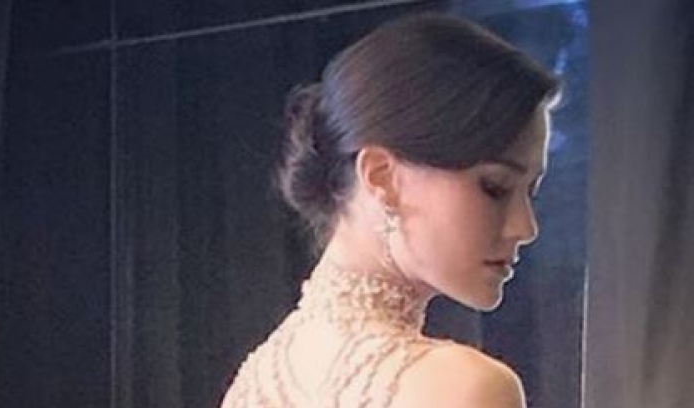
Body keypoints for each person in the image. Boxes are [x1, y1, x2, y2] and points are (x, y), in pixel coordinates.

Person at [219, 12, 560, 408]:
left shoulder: (258, 377)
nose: (524, 227)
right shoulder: (467, 387)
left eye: (529, 193)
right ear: (382, 177)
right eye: (495, 188)